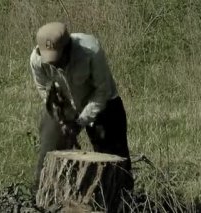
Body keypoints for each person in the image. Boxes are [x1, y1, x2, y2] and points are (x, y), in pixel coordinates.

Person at [29, 22, 132, 188]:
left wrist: (80, 122)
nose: (55, 65)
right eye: (51, 61)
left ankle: (122, 200)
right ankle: (41, 198)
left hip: (103, 104)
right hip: (66, 102)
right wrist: (57, 111)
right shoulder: (36, 60)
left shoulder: (90, 50)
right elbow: (43, 86)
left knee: (113, 161)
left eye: (58, 58)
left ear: (68, 47)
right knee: (48, 151)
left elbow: (102, 91)